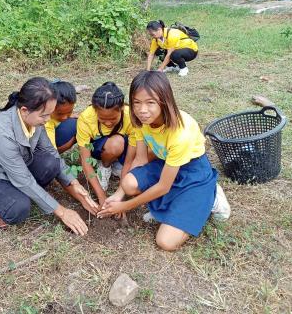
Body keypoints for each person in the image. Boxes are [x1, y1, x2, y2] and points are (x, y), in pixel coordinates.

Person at [98, 71, 231, 251]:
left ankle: (211, 196)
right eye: (136, 102)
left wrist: (125, 206)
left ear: (164, 100)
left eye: (150, 102)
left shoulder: (180, 133)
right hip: (165, 163)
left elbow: (163, 187)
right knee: (129, 183)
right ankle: (170, 208)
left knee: (166, 242)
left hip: (193, 172)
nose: (142, 110)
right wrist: (119, 194)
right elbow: (140, 159)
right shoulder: (141, 120)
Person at [0, 77, 99, 235]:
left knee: (50, 163)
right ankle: (1, 204)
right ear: (24, 110)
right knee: (19, 207)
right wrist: (62, 212)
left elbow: (51, 152)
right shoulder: (0, 134)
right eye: (44, 116)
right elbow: (23, 179)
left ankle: (22, 193)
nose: (48, 120)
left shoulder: (34, 120)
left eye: (49, 114)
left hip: (16, 167)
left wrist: (74, 183)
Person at [76, 82, 137, 209]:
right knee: (115, 144)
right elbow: (86, 161)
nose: (108, 122)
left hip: (122, 146)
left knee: (120, 144)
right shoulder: (86, 118)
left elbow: (129, 161)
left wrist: (120, 197)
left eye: (113, 118)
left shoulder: (131, 117)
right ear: (95, 111)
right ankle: (105, 166)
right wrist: (101, 195)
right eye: (102, 119)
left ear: (122, 109)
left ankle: (115, 162)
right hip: (98, 150)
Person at [44, 80, 78, 153]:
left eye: (69, 111)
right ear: (49, 106)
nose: (65, 117)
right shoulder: (46, 123)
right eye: (60, 114)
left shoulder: (54, 112)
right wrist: (74, 139)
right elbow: (51, 153)